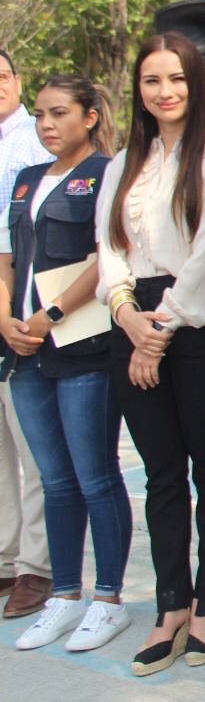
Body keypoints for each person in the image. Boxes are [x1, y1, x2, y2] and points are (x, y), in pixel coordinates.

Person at [97, 31, 205, 675]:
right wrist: (130, 320)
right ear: (139, 91)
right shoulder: (122, 161)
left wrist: (164, 327)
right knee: (159, 474)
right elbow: (110, 252)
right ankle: (170, 605)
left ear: (195, 84)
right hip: (132, 328)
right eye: (152, 81)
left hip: (197, 325)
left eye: (176, 79)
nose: (165, 92)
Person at [0, 75, 131, 653]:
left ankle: (107, 599)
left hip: (79, 344)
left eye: (60, 114)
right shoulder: (25, 181)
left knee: (94, 475)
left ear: (90, 118)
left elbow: (107, 257)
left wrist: (49, 313)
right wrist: (6, 316)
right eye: (42, 116)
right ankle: (63, 594)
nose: (48, 124)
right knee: (53, 480)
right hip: (23, 349)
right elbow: (8, 258)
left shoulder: (106, 174)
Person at [0, 49, 53, 620]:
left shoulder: (34, 146)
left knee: (34, 452)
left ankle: (36, 568)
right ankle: (5, 556)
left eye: (3, 76)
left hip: (23, 315)